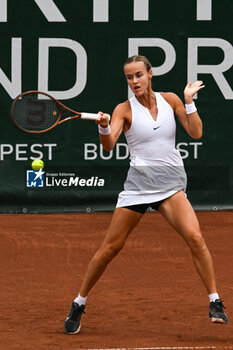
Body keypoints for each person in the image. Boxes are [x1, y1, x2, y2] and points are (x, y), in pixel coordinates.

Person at [64, 55, 228, 334]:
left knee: (196, 238)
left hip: (170, 185)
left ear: (150, 74)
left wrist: (189, 102)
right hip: (138, 187)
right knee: (109, 250)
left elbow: (196, 132)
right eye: (129, 77)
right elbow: (108, 145)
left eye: (139, 75)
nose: (134, 81)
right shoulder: (123, 110)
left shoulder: (171, 100)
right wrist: (104, 126)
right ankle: (79, 303)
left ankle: (215, 302)